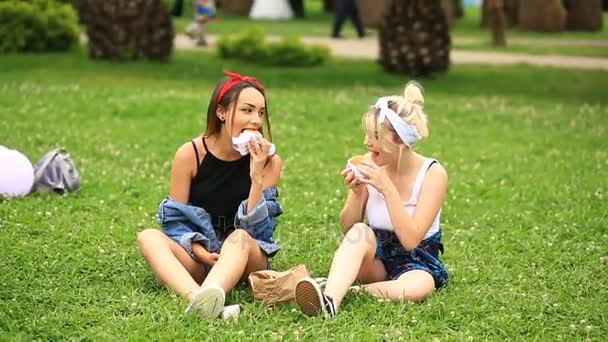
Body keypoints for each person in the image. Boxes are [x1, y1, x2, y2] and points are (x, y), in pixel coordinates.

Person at [294, 82, 448, 318]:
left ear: (400, 141)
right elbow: (348, 228)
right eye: (367, 134)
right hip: (378, 256)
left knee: (419, 287)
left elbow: (410, 241)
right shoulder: (370, 162)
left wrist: (387, 189)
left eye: (375, 136)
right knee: (359, 231)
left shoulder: (433, 174)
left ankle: (345, 289)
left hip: (418, 261)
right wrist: (357, 194)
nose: (367, 142)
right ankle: (331, 303)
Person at [137, 71, 283, 319]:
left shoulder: (269, 161)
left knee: (239, 237)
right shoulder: (190, 154)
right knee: (149, 237)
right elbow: (175, 219)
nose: (256, 120)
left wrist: (256, 176)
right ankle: (199, 300)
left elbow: (258, 234)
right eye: (247, 110)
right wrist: (199, 250)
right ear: (221, 113)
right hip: (202, 255)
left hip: (245, 260)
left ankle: (208, 295)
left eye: (260, 112)